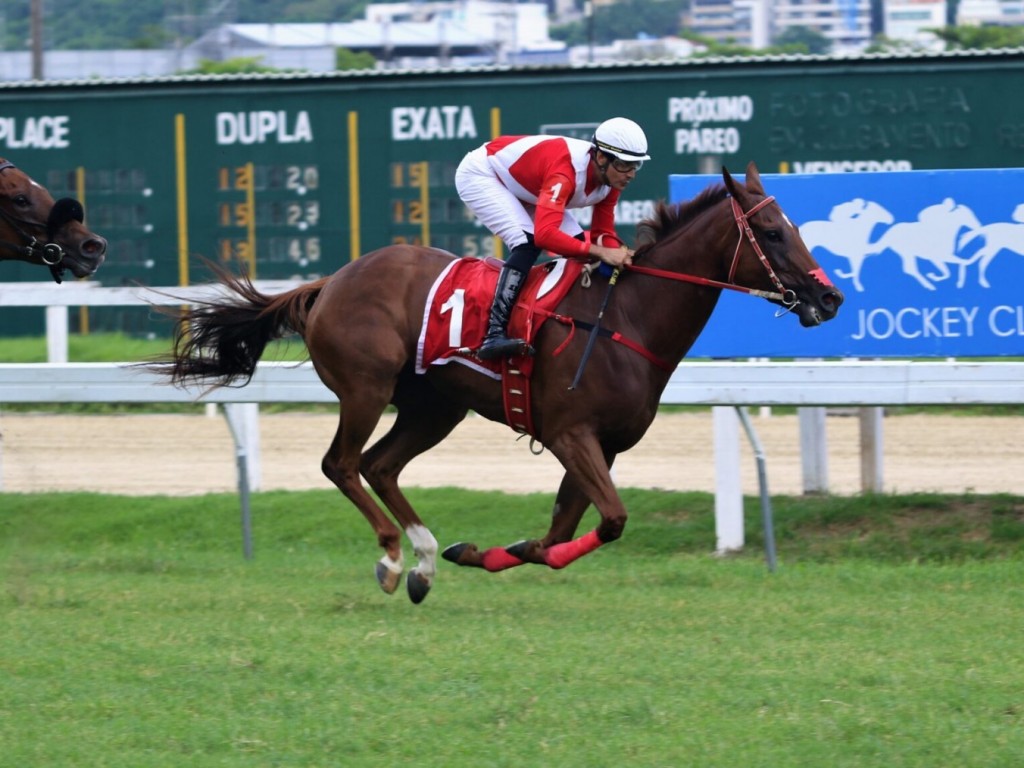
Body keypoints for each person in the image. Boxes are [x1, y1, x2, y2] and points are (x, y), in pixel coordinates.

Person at [454, 116, 650, 360]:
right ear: (601, 157)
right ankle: (493, 334)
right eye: (625, 165)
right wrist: (601, 252)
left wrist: (621, 255)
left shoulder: (611, 180)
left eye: (636, 166)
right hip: (483, 174)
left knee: (580, 248)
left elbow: (603, 235)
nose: (630, 174)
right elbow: (545, 236)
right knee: (528, 242)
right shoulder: (566, 171)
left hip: (527, 185)